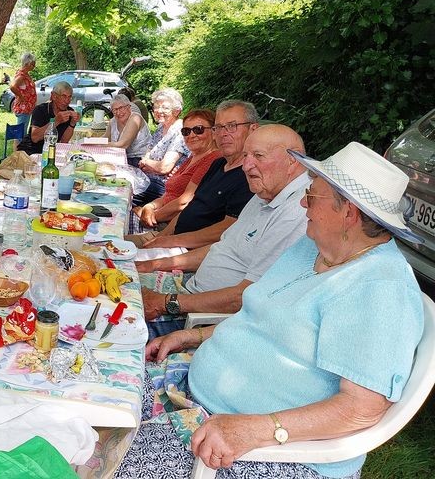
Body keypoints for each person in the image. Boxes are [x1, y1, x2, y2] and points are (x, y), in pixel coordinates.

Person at [117, 142, 424, 479]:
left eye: (312, 195)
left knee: (102, 462)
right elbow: (259, 315)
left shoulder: (378, 289)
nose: (303, 202)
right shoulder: (312, 247)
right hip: (193, 391)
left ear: (348, 212)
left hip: (258, 449)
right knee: (93, 400)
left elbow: (361, 409)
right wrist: (193, 336)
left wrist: (258, 429)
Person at [137, 124, 309, 337]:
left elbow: (247, 297)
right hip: (189, 288)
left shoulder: (297, 212)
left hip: (197, 316)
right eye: (246, 155)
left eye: (258, 156)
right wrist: (152, 265)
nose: (246, 165)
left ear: (293, 160)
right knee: (112, 276)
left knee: (107, 323)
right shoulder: (265, 192)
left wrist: (167, 303)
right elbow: (222, 247)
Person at [133, 100, 257, 251]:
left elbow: (226, 229)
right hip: (170, 237)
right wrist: (161, 236)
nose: (223, 133)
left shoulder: (250, 174)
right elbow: (190, 206)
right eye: (219, 127)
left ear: (253, 129)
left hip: (188, 249)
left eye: (232, 126)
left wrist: (167, 239)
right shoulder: (218, 164)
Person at [132, 109, 221, 235]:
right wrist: (149, 207)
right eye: (186, 131)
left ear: (214, 132)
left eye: (198, 129)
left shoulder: (212, 159)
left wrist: (151, 216)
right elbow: (170, 193)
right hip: (162, 217)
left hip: (173, 227)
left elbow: (184, 202)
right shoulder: (194, 156)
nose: (191, 135)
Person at [134, 87, 189, 206]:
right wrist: (150, 164)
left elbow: (164, 168)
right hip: (149, 178)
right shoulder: (161, 127)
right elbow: (146, 156)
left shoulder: (179, 131)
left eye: (165, 107)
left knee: (129, 194)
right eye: (156, 107)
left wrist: (149, 164)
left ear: (176, 111)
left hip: (164, 185)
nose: (159, 110)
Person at [16, 81, 79, 155]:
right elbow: (35, 138)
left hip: (50, 153)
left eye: (69, 97)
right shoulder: (40, 110)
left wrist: (72, 123)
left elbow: (64, 141)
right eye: (64, 96)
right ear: (54, 96)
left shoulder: (69, 111)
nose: (67, 101)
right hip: (30, 151)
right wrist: (56, 122)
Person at [105, 94, 152, 166]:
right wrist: (90, 141)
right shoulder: (113, 121)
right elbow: (105, 139)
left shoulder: (135, 118)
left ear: (129, 107)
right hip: (122, 158)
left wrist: (98, 144)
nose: (118, 112)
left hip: (140, 160)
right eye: (115, 110)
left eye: (121, 108)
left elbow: (122, 145)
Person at [10, 52, 37, 131]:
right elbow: (12, 86)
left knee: (22, 132)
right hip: (23, 108)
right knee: (21, 133)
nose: (34, 66)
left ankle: (19, 143)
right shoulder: (21, 76)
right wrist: (21, 97)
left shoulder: (26, 75)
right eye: (33, 64)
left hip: (28, 108)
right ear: (27, 63)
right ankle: (19, 144)